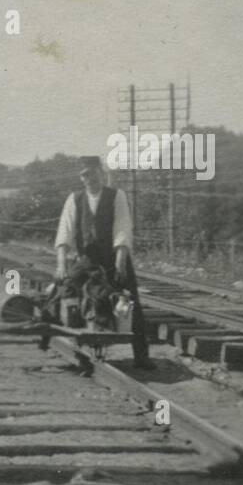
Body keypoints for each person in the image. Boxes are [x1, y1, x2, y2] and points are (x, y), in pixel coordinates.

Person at [53, 156, 152, 369]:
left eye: (94, 173)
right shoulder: (75, 199)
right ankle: (66, 344)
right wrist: (61, 266)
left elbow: (122, 229)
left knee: (130, 302)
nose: (91, 178)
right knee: (63, 292)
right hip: (85, 260)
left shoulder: (117, 196)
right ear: (81, 178)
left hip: (113, 258)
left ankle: (142, 357)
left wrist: (120, 263)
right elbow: (65, 233)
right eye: (86, 175)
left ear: (102, 173)